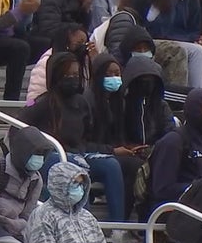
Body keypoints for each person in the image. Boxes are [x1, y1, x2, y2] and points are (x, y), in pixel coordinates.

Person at [20, 52, 128, 231]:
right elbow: (19, 130)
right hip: (51, 156)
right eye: (67, 75)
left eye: (76, 75)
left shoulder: (82, 103)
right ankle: (84, 229)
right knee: (75, 166)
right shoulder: (42, 104)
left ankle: (119, 229)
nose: (72, 79)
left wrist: (106, 150)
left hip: (78, 153)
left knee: (111, 165)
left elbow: (86, 139)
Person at [86, 53, 150, 228]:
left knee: (140, 164)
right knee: (123, 165)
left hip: (110, 152)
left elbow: (117, 137)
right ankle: (118, 226)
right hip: (87, 154)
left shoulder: (117, 101)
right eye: (109, 74)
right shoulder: (87, 100)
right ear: (98, 75)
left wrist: (129, 146)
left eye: (117, 74)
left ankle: (133, 222)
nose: (114, 78)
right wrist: (113, 151)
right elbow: (80, 143)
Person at [24, 161, 113, 243]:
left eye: (82, 184)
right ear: (60, 186)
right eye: (75, 183)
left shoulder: (87, 217)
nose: (80, 188)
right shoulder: (42, 216)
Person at [150, 88, 202, 214]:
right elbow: (162, 189)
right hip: (174, 206)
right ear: (195, 112)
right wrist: (196, 188)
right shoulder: (173, 141)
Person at [26, 23, 91, 105]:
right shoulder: (45, 63)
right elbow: (32, 99)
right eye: (79, 42)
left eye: (85, 43)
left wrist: (94, 60)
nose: (82, 47)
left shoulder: (85, 63)